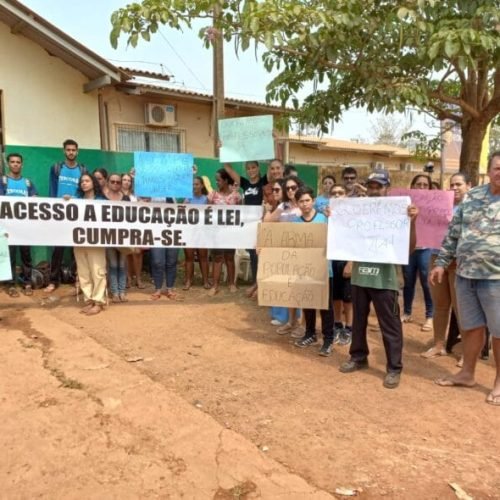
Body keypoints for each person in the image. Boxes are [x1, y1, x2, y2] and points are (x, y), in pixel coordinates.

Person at [430, 152, 500, 406]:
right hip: (465, 274)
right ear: (489, 170)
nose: (499, 172)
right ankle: (467, 373)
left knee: (499, 332)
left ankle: (499, 382)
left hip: (496, 277)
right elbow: (453, 233)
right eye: (497, 167)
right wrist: (441, 263)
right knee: (471, 327)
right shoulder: (473, 197)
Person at [339, 169, 418, 389]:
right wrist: (334, 216)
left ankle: (394, 368)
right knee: (358, 321)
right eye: (371, 186)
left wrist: (413, 221)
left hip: (385, 279)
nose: (374, 190)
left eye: (379, 186)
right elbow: (344, 235)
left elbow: (409, 248)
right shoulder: (358, 210)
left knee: (390, 324)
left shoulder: (399, 212)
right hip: (360, 275)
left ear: (387, 189)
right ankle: (358, 356)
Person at [422, 172, 471, 358]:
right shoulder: (439, 206)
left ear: (468, 185)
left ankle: (468, 353)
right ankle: (438, 345)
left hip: (460, 262)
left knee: (461, 309)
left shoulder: (473, 207)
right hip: (436, 258)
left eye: (459, 184)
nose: (455, 188)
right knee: (440, 305)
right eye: (452, 184)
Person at [291, 186, 335, 356]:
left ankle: (328, 339)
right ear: (297, 203)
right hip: (304, 271)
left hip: (324, 270)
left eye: (307, 200)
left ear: (314, 201)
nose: (305, 204)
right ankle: (310, 334)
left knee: (325, 306)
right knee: (308, 303)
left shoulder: (325, 219)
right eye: (301, 201)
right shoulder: (295, 224)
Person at [264, 175, 304, 335]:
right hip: (284, 253)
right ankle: (290, 321)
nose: (290, 190)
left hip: (303, 253)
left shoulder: (304, 204)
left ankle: (302, 323)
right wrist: (267, 211)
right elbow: (268, 222)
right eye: (287, 188)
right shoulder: (282, 206)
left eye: (293, 187)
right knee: (288, 286)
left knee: (302, 287)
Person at [45, 139, 87, 292]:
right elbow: (52, 189)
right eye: (68, 150)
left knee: (77, 248)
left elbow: (84, 191)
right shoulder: (56, 168)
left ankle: (78, 278)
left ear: (77, 151)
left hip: (76, 213)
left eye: (73, 150)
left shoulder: (82, 170)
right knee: (58, 248)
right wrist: (51, 210)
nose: (71, 152)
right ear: (64, 151)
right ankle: (53, 280)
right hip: (58, 213)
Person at [224, 160, 268, 297]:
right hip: (249, 225)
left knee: (260, 254)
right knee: (253, 255)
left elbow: (276, 167)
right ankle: (256, 284)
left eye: (253, 167)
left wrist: (276, 143)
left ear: (258, 168)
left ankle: (260, 285)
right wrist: (223, 151)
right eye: (248, 168)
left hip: (262, 223)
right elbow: (228, 169)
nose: (251, 170)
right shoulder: (244, 183)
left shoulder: (264, 181)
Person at [0, 153, 38, 297]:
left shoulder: (28, 183)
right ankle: (10, 284)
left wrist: (35, 199)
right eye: (12, 162)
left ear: (22, 164)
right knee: (9, 255)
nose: (15, 164)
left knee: (26, 255)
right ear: (8, 164)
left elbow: (35, 199)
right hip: (7, 226)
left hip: (24, 227)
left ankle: (27, 282)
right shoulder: (2, 181)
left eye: (18, 162)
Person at [401, 174, 434, 331]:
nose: (421, 188)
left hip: (426, 249)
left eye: (425, 185)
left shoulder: (435, 204)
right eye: (418, 184)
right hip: (408, 249)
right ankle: (407, 312)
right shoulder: (405, 203)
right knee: (408, 282)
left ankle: (430, 316)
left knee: (427, 283)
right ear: (412, 186)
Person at [74, 173, 107, 315]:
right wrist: (66, 202)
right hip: (79, 239)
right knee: (83, 271)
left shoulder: (102, 201)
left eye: (87, 181)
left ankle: (99, 301)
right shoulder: (76, 200)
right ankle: (88, 299)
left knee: (97, 270)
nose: (84, 183)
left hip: (96, 239)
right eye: (82, 181)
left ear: (93, 183)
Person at [207, 169, 242, 296]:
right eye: (216, 180)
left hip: (230, 232)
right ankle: (215, 286)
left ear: (226, 181)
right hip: (216, 232)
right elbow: (207, 213)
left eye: (219, 180)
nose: (217, 182)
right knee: (217, 258)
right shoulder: (212, 195)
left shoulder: (236, 196)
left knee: (229, 257)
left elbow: (241, 214)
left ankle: (231, 283)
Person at [329, 184, 353, 345]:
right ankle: (337, 324)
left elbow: (358, 239)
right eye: (334, 193)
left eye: (341, 192)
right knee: (335, 295)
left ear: (346, 195)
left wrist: (351, 263)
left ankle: (349, 328)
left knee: (348, 297)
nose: (337, 195)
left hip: (347, 260)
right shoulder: (328, 215)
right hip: (332, 259)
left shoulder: (353, 215)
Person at [104, 174, 130, 302]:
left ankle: (122, 291)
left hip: (123, 236)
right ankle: (114, 292)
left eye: (118, 182)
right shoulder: (102, 199)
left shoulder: (126, 199)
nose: (115, 184)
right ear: (108, 182)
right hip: (108, 236)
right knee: (113, 265)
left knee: (122, 265)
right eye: (112, 181)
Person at [183, 176, 210, 290]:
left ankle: (205, 281)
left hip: (202, 232)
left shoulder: (206, 199)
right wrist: (185, 204)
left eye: (197, 184)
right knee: (189, 257)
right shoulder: (187, 199)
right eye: (193, 184)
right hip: (189, 232)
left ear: (202, 186)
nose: (194, 186)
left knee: (203, 257)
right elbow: (182, 213)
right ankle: (189, 280)